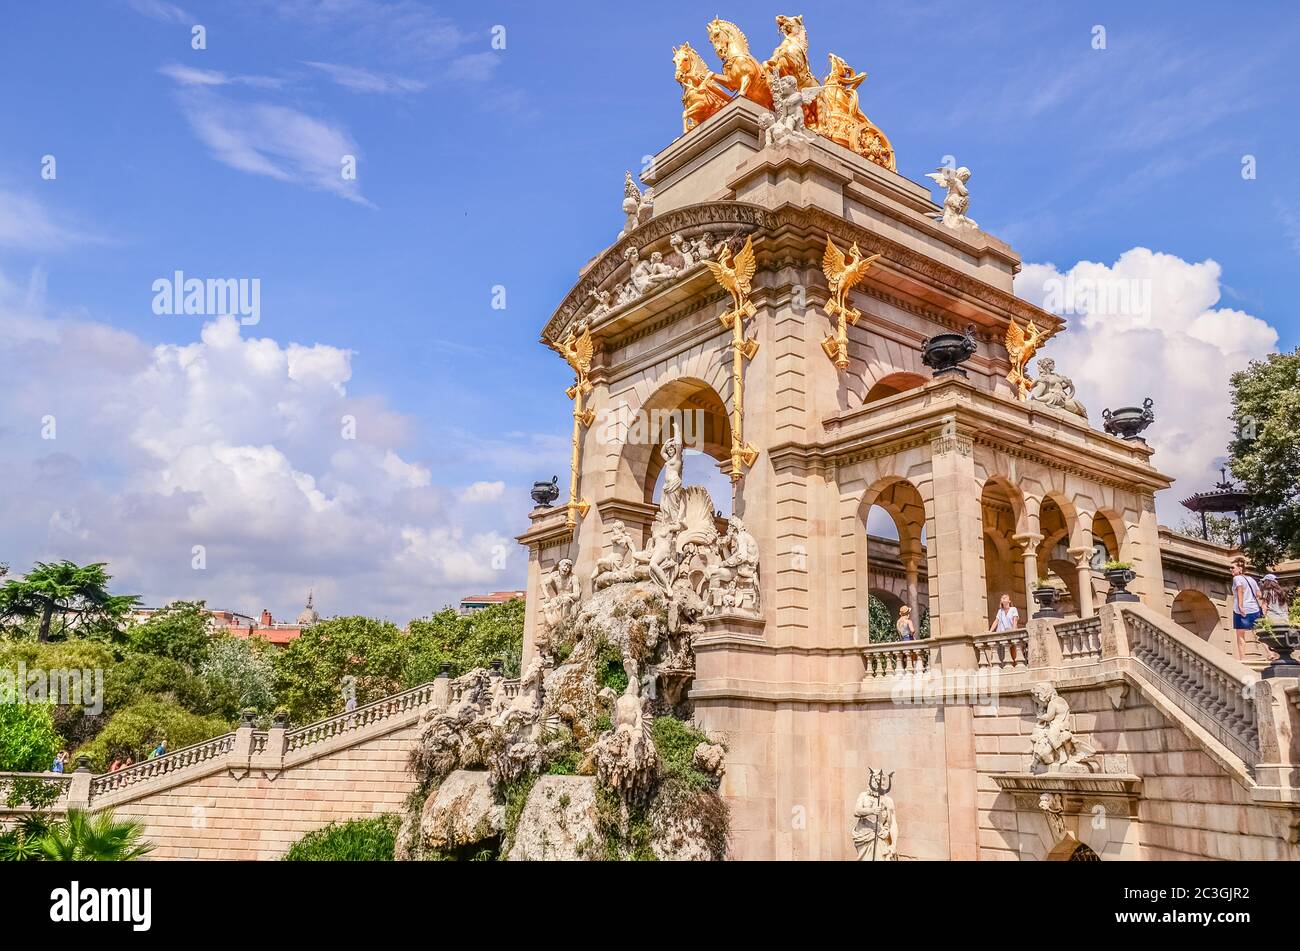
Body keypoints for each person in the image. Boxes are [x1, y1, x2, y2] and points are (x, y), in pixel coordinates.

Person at [1231, 558, 1263, 661]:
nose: (1230, 570)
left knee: (1240, 635)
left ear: (1240, 568)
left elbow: (1240, 590)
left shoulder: (1237, 579)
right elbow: (1259, 594)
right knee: (1259, 632)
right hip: (1254, 609)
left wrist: (1240, 606)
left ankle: (1242, 658)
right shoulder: (1251, 579)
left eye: (1232, 568)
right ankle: (1269, 652)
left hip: (1241, 610)